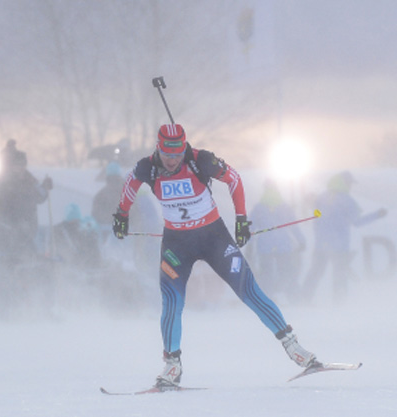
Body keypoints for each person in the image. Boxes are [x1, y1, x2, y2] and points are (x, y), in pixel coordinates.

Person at [112, 124, 316, 389]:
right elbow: (129, 187)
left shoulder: (201, 160)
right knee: (172, 301)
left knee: (249, 291)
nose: (171, 160)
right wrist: (121, 215)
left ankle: (295, 348)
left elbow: (234, 180)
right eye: (166, 153)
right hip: (176, 245)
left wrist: (241, 219)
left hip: (214, 239)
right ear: (158, 148)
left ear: (183, 147)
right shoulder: (147, 167)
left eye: (176, 153)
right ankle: (172, 365)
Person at [300, 171, 387, 304]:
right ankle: (339, 300)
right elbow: (357, 222)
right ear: (344, 183)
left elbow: (314, 213)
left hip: (321, 244)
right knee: (339, 274)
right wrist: (377, 215)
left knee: (316, 271)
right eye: (350, 183)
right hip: (339, 245)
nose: (351, 186)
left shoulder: (322, 197)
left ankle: (304, 297)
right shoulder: (347, 200)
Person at [0, 140, 53, 265]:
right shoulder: (3, 179)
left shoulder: (29, 178)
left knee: (29, 255)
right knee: (16, 256)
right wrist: (7, 153)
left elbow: (40, 197)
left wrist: (45, 187)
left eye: (23, 164)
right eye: (17, 165)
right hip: (11, 226)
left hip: (29, 224)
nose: (21, 168)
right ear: (10, 165)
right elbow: (9, 199)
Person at [250, 179, 306, 301]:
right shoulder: (285, 206)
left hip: (265, 245)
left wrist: (249, 244)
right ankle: (293, 296)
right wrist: (301, 241)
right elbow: (294, 225)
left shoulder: (259, 207)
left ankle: (266, 297)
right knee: (287, 271)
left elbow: (251, 228)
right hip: (283, 244)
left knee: (266, 273)